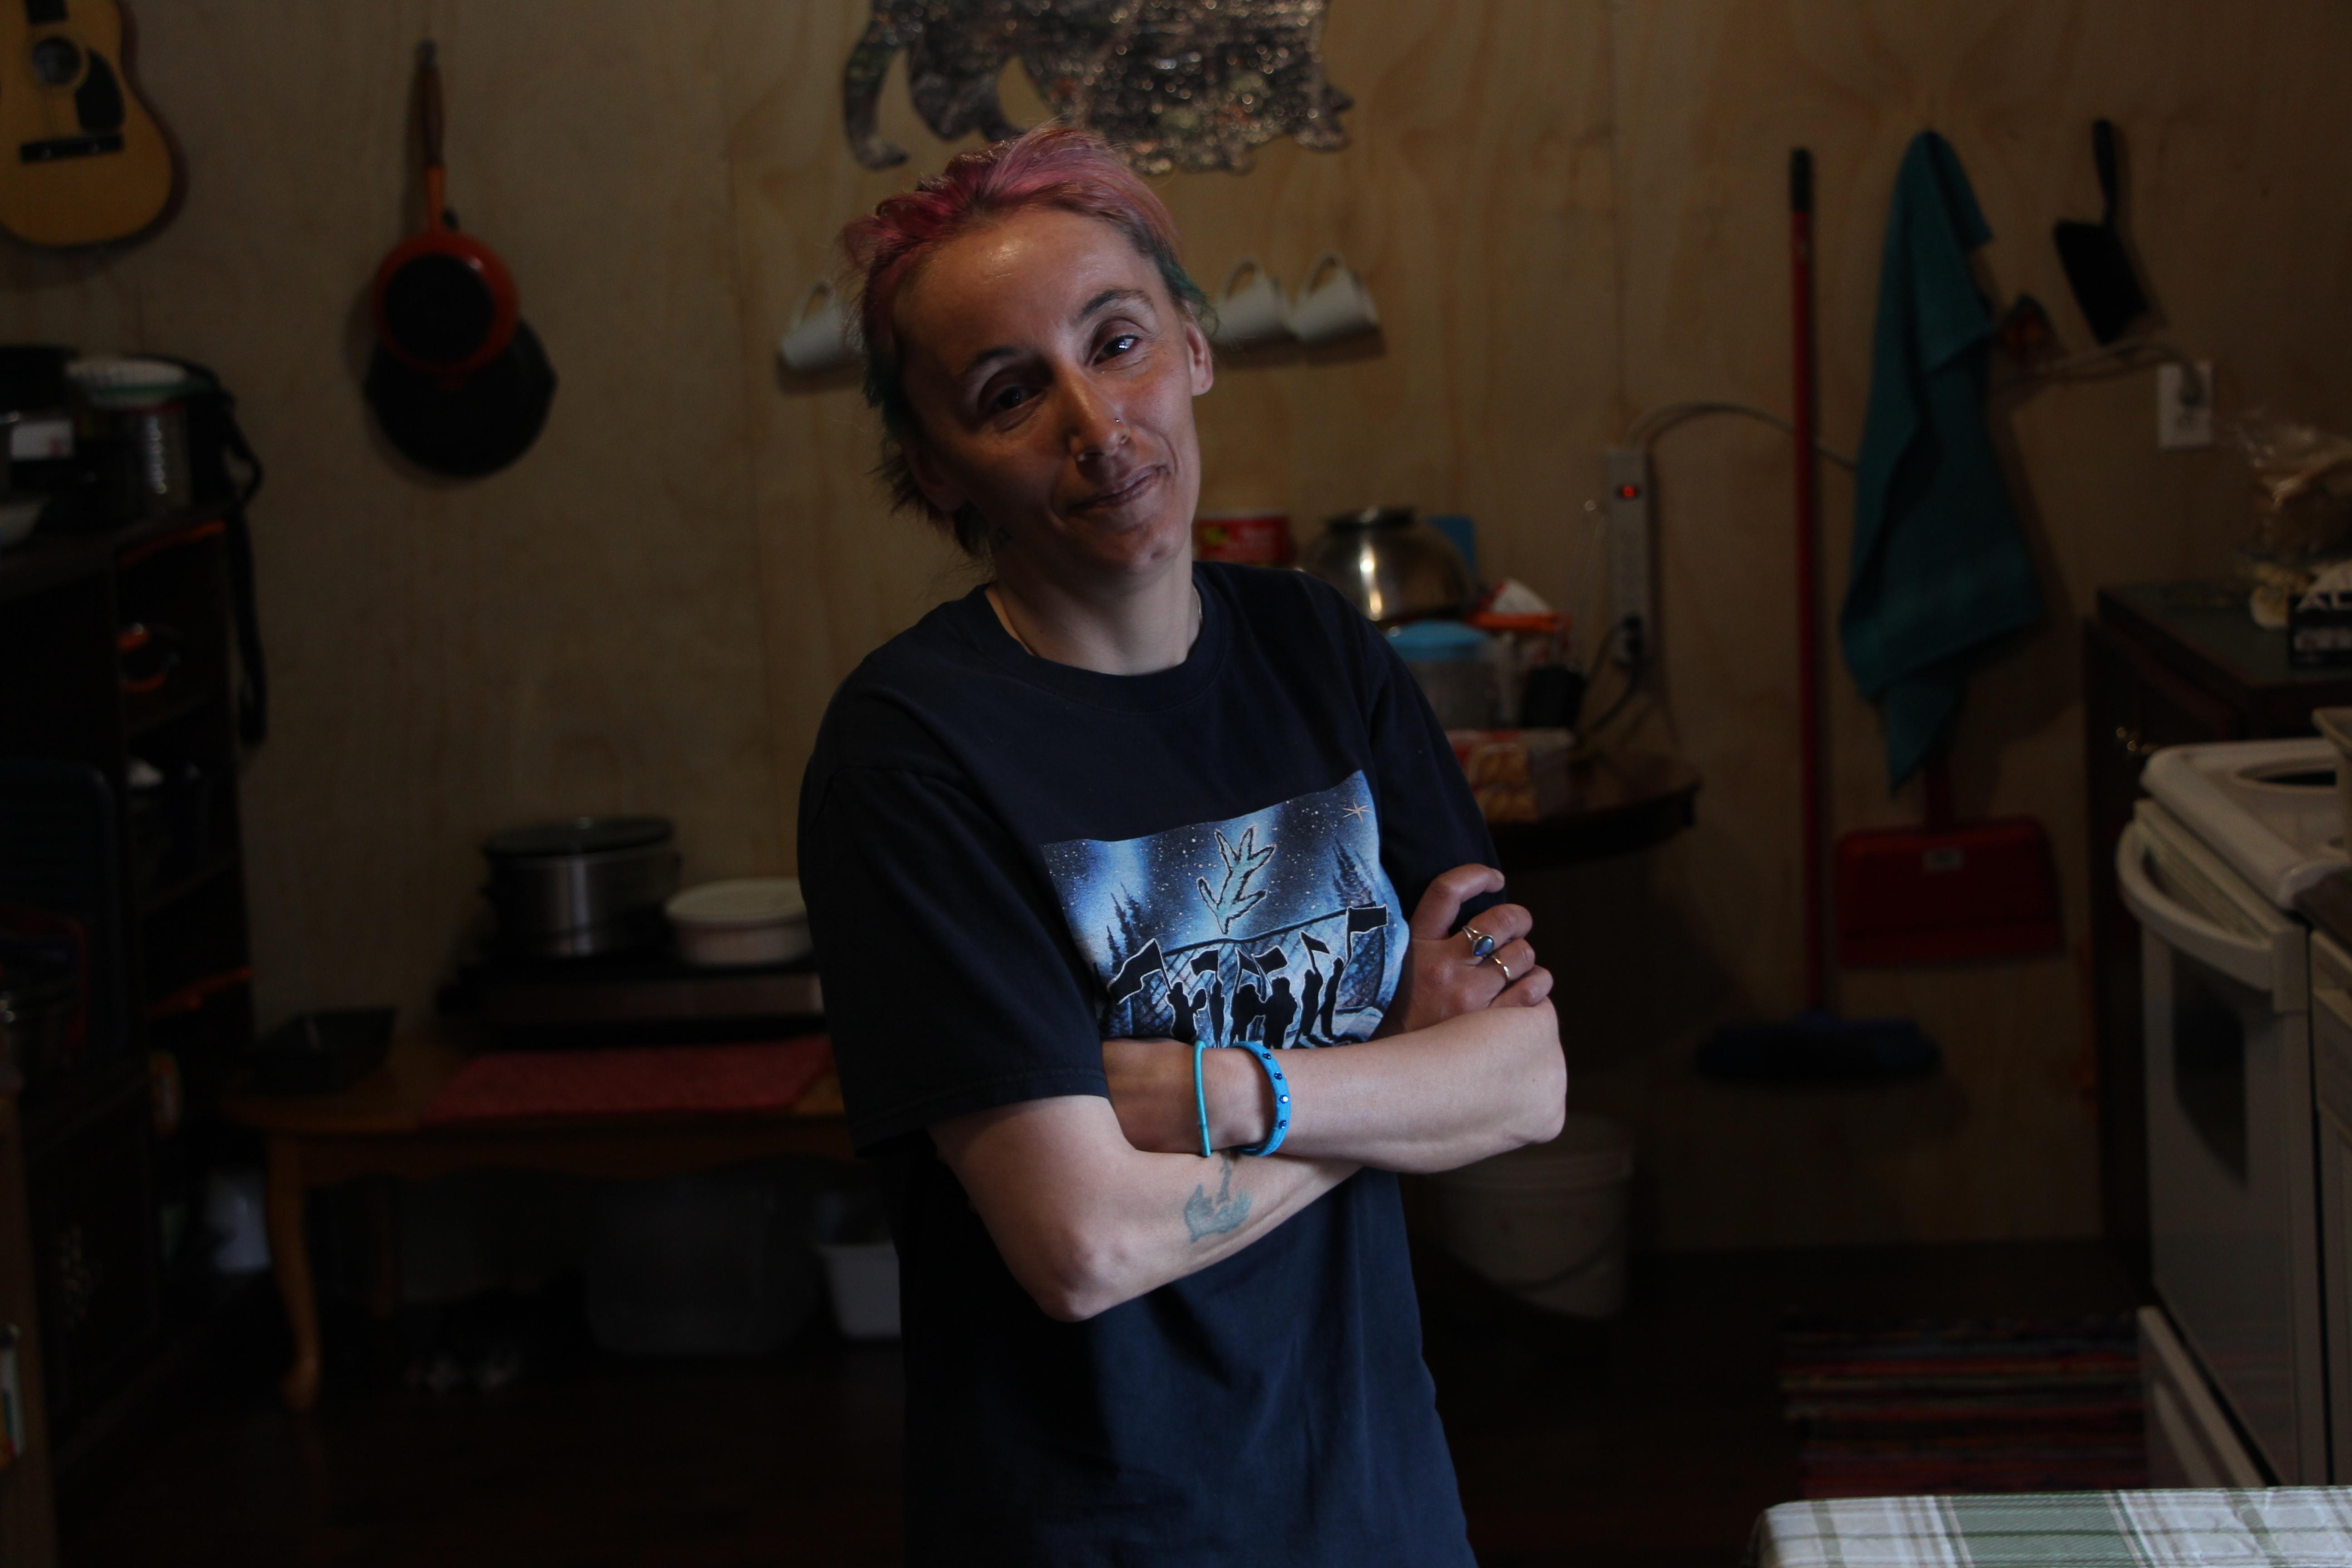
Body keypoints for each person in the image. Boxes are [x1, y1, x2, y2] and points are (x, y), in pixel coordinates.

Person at [798, 124, 1567, 1567]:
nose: (1097, 425)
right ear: (937, 472)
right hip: (1106, 1530)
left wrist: (1215, 1092)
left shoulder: (1317, 654)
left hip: (1380, 1503)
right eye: (1010, 392)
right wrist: (1393, 1083)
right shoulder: (912, 755)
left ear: (1198, 349)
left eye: (1120, 340)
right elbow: (1081, 1244)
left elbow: (1526, 1085)